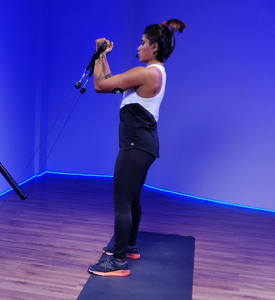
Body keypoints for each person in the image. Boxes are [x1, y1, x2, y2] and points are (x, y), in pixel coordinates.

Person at [87, 19, 186, 277]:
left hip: (136, 146)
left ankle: (118, 261)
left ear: (154, 47)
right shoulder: (155, 72)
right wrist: (103, 57)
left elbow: (100, 85)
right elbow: (109, 80)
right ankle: (128, 246)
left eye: (142, 43)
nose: (139, 47)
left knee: (121, 201)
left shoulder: (147, 73)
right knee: (131, 199)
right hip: (143, 145)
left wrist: (98, 54)